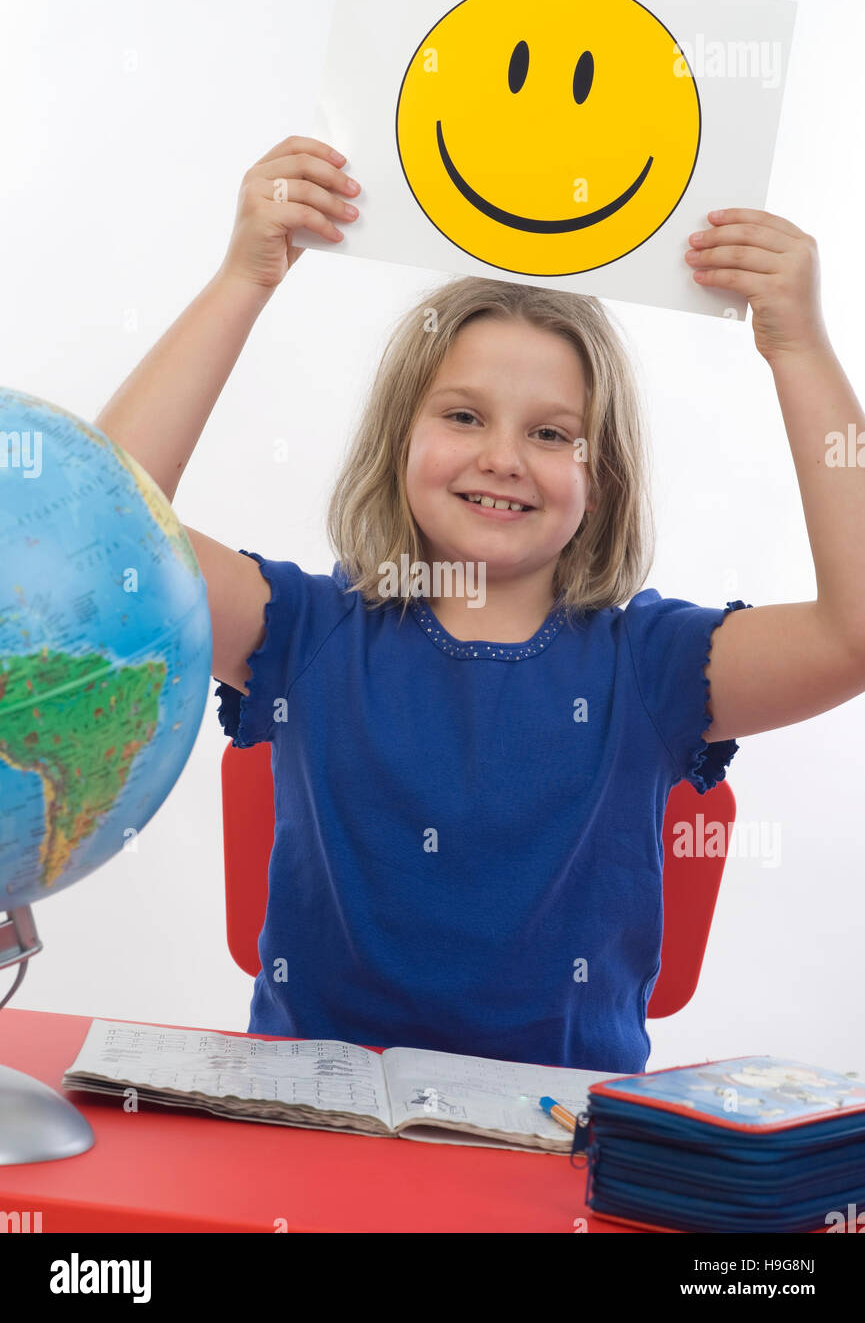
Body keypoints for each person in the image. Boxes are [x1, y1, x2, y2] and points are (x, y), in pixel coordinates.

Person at [94, 134, 865, 1072]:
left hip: (553, 1152)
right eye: (463, 415)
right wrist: (242, 280)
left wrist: (798, 346)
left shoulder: (652, 665)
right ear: (398, 438)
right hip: (307, 1137)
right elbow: (106, 536)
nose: (502, 456)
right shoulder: (301, 631)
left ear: (602, 478)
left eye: (549, 432)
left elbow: (853, 632)